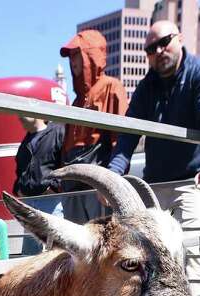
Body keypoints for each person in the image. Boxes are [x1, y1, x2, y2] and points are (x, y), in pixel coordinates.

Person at [107, 20, 200, 248]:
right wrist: (113, 176)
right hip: (155, 185)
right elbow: (128, 134)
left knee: (187, 249)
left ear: (179, 38)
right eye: (151, 49)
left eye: (164, 42)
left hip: (191, 183)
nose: (159, 51)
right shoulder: (145, 87)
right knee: (151, 253)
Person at [59, 29, 127, 222]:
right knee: (75, 244)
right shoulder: (76, 100)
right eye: (70, 56)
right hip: (73, 184)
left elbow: (121, 138)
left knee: (102, 242)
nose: (72, 61)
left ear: (90, 55)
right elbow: (66, 145)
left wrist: (111, 183)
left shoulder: (111, 87)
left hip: (98, 184)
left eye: (76, 54)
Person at [13, 116, 65, 255]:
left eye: (24, 112)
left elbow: (65, 163)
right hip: (29, 202)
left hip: (51, 201)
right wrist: (18, 188)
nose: (19, 116)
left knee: (54, 252)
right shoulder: (26, 140)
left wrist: (54, 187)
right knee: (30, 255)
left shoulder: (57, 132)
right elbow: (20, 169)